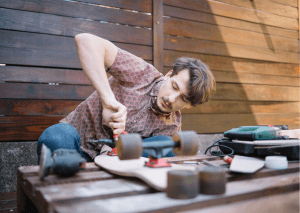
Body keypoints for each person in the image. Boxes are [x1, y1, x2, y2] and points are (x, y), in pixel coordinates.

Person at [37, 33, 216, 163]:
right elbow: (86, 40)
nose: (171, 99)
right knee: (56, 136)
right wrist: (108, 100)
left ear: (190, 105)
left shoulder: (172, 125)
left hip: (115, 164)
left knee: (167, 146)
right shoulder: (140, 72)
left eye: (183, 99)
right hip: (76, 148)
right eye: (174, 86)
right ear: (169, 74)